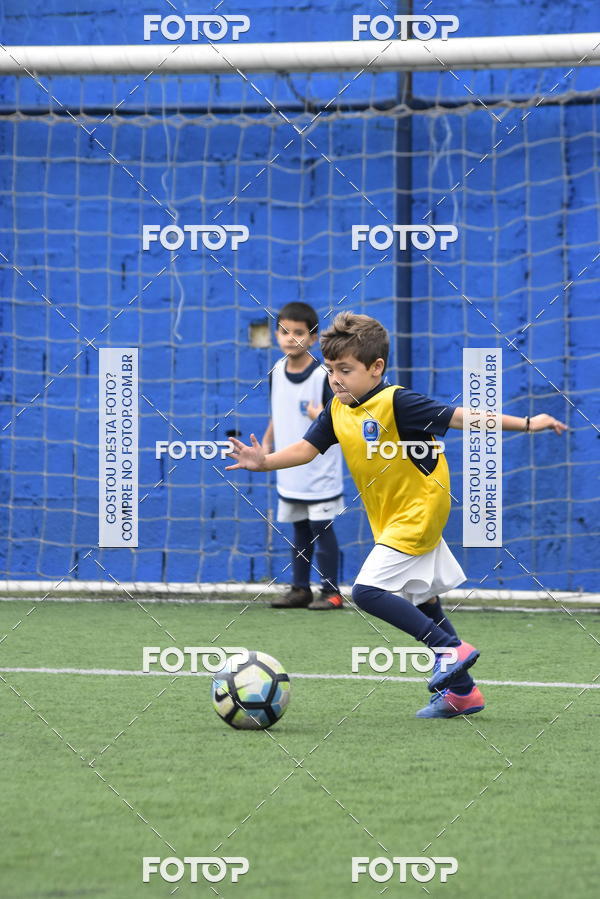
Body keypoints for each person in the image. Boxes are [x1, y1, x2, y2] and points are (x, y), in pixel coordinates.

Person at [226, 312, 567, 718]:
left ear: (376, 368)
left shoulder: (398, 402)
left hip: (421, 508)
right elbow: (307, 448)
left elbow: (462, 418)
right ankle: (463, 693)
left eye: (346, 370)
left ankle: (448, 650)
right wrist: (263, 462)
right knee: (423, 599)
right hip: (389, 516)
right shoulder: (337, 407)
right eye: (331, 369)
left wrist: (529, 423)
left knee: (367, 592)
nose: (335, 378)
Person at [261, 302, 345, 610]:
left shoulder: (325, 375)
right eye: (284, 331)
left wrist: (319, 414)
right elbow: (277, 413)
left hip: (319, 468)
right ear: (276, 334)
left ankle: (332, 592)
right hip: (290, 468)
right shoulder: (276, 372)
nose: (290, 338)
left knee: (322, 528)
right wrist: (267, 443)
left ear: (312, 338)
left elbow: (341, 417)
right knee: (299, 528)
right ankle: (300, 588)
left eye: (299, 333)